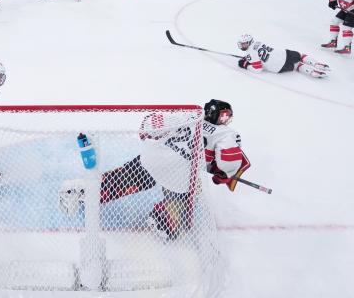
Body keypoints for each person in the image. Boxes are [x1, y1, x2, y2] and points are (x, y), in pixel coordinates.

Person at [59, 100, 251, 240]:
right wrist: (223, 173)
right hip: (180, 176)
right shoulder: (227, 133)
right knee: (186, 197)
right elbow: (229, 160)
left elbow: (148, 126)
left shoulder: (189, 114)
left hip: (153, 158)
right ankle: (164, 222)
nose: (225, 120)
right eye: (225, 116)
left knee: (125, 178)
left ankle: (82, 190)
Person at [237, 34, 329, 78]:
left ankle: (311, 72)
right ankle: (316, 64)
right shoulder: (257, 42)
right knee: (300, 56)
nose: (242, 46)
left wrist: (246, 64)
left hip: (278, 67)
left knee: (297, 66)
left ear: (249, 42)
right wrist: (248, 59)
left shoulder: (249, 54)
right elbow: (257, 53)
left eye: (244, 44)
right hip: (283, 54)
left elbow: (258, 70)